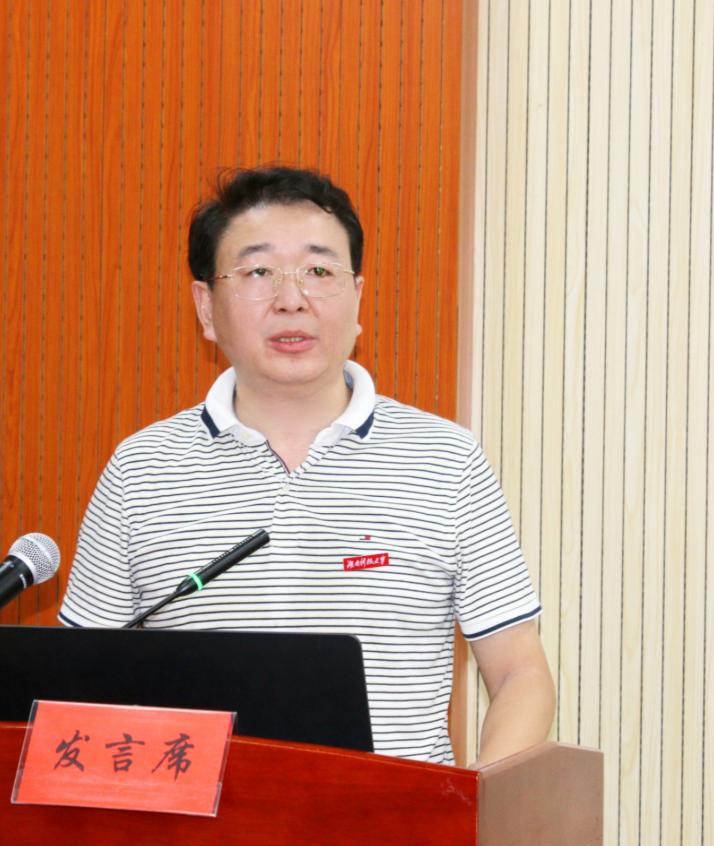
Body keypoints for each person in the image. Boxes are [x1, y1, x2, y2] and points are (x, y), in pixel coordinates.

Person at [59, 166, 555, 766]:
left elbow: (520, 673)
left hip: (396, 814)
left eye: (319, 272)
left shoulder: (445, 461)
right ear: (206, 308)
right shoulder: (141, 470)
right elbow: (75, 691)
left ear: (358, 298)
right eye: (258, 272)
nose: (291, 299)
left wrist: (474, 803)